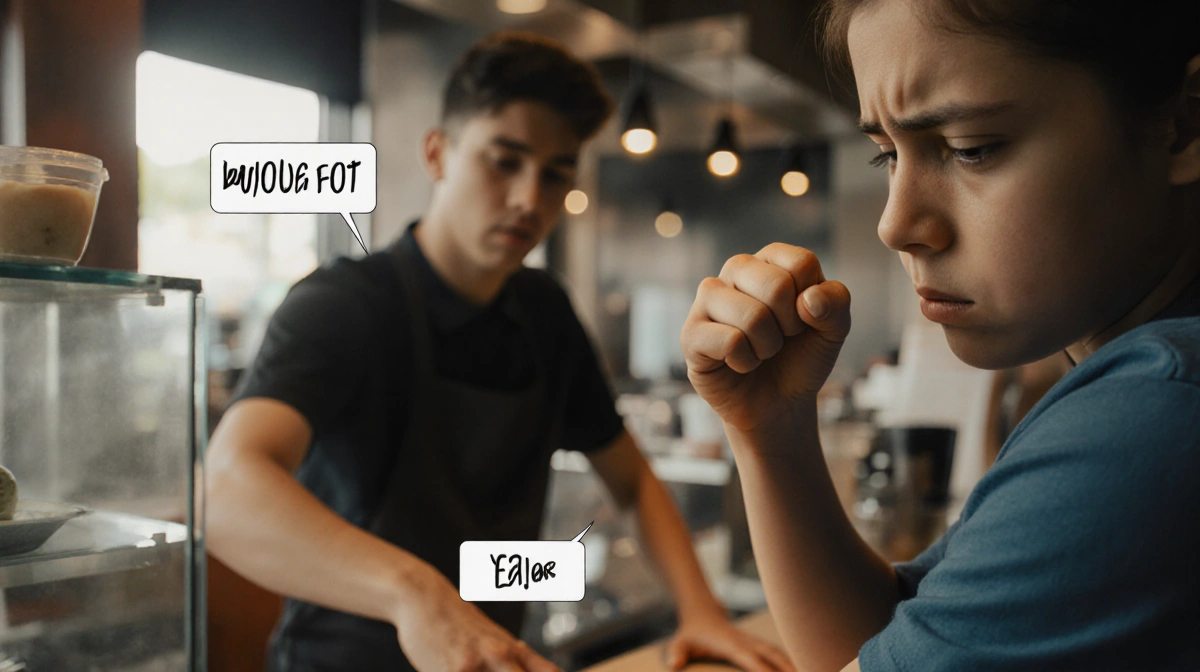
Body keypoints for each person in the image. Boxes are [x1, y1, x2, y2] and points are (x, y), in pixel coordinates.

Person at [205, 32, 792, 672]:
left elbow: (630, 481)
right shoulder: (346, 304)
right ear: (437, 153)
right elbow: (228, 489)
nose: (527, 200)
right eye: (503, 160)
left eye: (555, 174)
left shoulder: (545, 313)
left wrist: (700, 611)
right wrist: (416, 595)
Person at [680, 1, 1200, 670]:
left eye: (970, 149)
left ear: (1184, 124)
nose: (894, 226)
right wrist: (770, 429)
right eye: (885, 156)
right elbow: (876, 643)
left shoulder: (1157, 411)